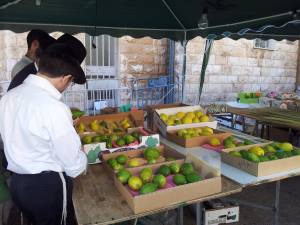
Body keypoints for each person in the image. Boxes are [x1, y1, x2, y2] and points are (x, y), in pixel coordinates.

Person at [0, 43, 88, 225]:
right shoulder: (55, 107)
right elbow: (73, 165)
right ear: (66, 78)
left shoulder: (8, 98)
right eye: (70, 83)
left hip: (18, 184)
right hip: (47, 188)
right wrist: (84, 156)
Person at [8, 33, 86, 91]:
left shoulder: (37, 74)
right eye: (70, 80)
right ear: (65, 77)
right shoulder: (27, 76)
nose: (67, 86)